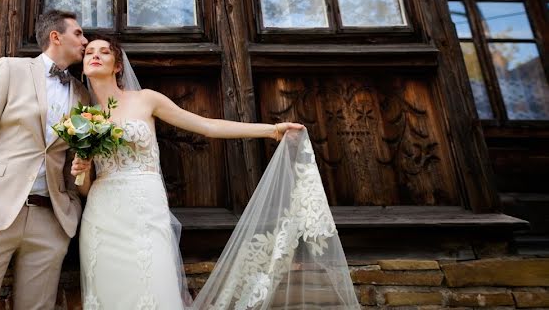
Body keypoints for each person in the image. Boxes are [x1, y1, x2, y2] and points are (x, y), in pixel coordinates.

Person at [72, 38, 359, 310]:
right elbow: (86, 186)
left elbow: (207, 126)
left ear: (118, 65)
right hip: (102, 214)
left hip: (144, 208)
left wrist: (271, 130)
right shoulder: (84, 116)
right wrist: (81, 172)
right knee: (107, 292)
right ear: (83, 64)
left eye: (104, 51)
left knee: (154, 285)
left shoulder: (146, 100)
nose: (95, 55)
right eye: (89, 52)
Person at [0, 9, 90, 310]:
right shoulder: (12, 70)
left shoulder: (81, 94)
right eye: (78, 33)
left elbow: (72, 156)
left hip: (49, 220)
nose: (85, 40)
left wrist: (70, 207)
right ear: (56, 36)